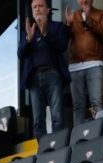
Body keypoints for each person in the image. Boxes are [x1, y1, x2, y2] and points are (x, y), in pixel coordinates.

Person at [19, 0, 71, 137]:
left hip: (53, 74)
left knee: (57, 116)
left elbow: (62, 46)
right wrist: (29, 40)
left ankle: (58, 149)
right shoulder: (28, 30)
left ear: (48, 10)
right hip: (34, 78)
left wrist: (46, 33)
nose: (37, 9)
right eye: (34, 7)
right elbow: (20, 54)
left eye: (40, 6)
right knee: (38, 120)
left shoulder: (57, 27)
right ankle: (43, 153)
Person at [66, 0, 103, 124]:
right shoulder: (74, 16)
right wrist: (69, 25)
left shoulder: (101, 14)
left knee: (96, 102)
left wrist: (89, 19)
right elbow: (65, 39)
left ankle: (99, 135)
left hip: (94, 62)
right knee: (78, 106)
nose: (83, 1)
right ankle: (78, 139)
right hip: (75, 65)